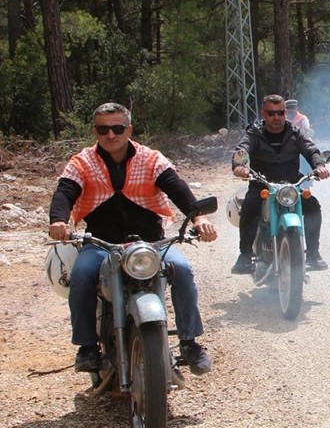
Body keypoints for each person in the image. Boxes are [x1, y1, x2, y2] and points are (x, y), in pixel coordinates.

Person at [48, 103, 217, 375]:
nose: (110, 135)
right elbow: (65, 191)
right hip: (101, 244)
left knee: (183, 270)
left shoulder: (151, 159)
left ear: (129, 129)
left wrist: (198, 218)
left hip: (151, 243)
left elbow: (177, 188)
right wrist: (58, 220)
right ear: (95, 131)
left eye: (117, 128)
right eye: (103, 129)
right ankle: (87, 347)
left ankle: (190, 342)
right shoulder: (82, 162)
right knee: (81, 275)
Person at [232, 94, 330, 274]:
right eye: (271, 113)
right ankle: (245, 255)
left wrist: (319, 165)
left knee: (312, 206)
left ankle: (313, 254)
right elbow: (242, 149)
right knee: (249, 207)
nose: (276, 117)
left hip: (291, 184)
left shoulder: (295, 132)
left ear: (285, 113)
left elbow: (310, 149)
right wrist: (240, 165)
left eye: (280, 113)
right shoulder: (254, 133)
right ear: (264, 113)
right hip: (262, 183)